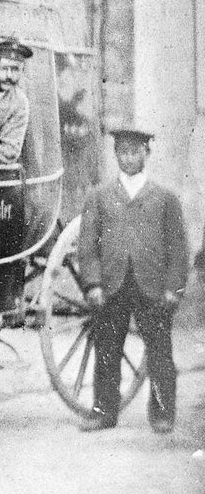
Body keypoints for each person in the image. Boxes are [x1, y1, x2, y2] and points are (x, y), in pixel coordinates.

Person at [77, 126, 188, 434]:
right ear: (115, 156)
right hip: (112, 285)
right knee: (107, 350)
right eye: (122, 152)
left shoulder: (165, 199)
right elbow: (87, 245)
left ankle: (162, 412)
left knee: (160, 351)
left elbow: (178, 248)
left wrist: (173, 289)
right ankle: (104, 411)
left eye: (134, 152)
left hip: (152, 286)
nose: (128, 158)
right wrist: (93, 283)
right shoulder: (99, 197)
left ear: (146, 154)